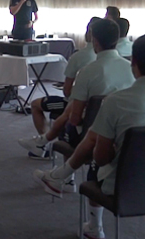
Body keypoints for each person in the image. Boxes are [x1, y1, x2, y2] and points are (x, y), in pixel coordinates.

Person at [34, 34, 145, 239]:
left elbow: (101, 158)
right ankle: (60, 177)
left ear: (133, 62)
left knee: (96, 150)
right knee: (97, 135)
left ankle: (95, 227)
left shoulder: (116, 101)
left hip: (124, 185)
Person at [19, 18, 134, 157]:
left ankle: (44, 145)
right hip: (124, 132)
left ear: (94, 41)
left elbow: (73, 115)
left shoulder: (87, 71)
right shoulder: (131, 68)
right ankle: (43, 142)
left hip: (89, 131)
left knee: (69, 108)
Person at [25, 17, 100, 148]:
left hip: (77, 106)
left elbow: (66, 91)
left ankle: (43, 145)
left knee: (35, 104)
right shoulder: (121, 63)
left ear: (88, 34)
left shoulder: (78, 57)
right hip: (99, 109)